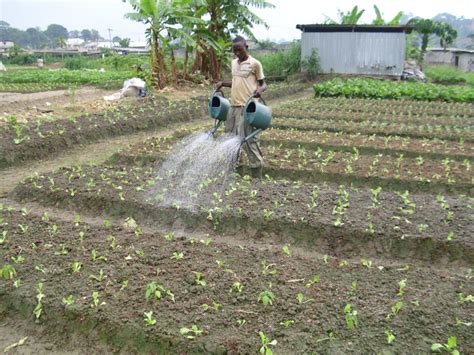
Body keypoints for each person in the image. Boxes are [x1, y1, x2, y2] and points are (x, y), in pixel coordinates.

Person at [215, 36, 267, 174]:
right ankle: (236, 169)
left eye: (240, 50)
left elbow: (263, 84)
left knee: (249, 139)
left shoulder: (255, 64)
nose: (237, 53)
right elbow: (236, 81)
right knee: (230, 137)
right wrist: (223, 84)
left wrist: (259, 91)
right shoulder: (234, 63)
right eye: (234, 51)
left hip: (248, 107)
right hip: (233, 106)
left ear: (246, 48)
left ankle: (256, 172)